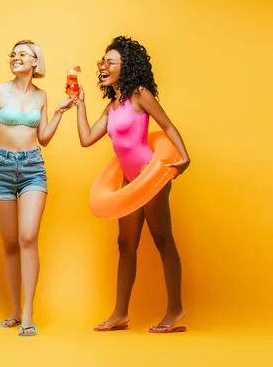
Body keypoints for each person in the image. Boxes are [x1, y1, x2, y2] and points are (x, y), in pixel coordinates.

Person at [73, 36, 191, 333]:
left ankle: (175, 311)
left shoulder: (140, 94)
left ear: (126, 67)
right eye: (103, 61)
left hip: (150, 176)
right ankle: (120, 314)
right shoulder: (112, 106)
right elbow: (86, 139)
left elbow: (167, 126)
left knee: (163, 240)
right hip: (128, 179)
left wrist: (185, 157)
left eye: (111, 61)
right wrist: (80, 105)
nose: (104, 65)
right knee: (125, 244)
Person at [0, 39, 77, 336]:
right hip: (1, 168)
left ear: (35, 61)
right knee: (10, 244)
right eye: (13, 54)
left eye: (22, 54)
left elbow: (43, 138)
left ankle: (29, 313)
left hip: (33, 168)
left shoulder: (42, 96)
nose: (15, 58)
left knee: (28, 237)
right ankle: (16, 310)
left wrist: (58, 112)